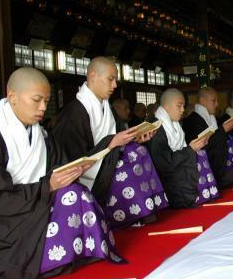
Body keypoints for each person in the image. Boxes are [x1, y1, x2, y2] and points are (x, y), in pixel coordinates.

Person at [0, 68, 121, 279]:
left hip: (36, 208)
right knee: (70, 196)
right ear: (12, 96)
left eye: (46, 100)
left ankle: (65, 254)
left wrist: (75, 169)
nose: (43, 107)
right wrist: (48, 186)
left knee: (75, 193)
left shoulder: (41, 135)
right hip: (2, 226)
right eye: (36, 100)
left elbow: (59, 167)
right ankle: (49, 259)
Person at [53, 57, 167, 228]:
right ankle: (132, 215)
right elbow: (71, 159)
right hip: (88, 175)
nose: (114, 85)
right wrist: (111, 143)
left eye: (115, 80)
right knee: (131, 159)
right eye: (110, 79)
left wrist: (136, 138)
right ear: (92, 77)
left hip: (108, 161)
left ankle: (143, 212)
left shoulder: (107, 108)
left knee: (138, 151)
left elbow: (119, 138)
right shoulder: (73, 113)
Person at [148, 89, 218, 207]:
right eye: (179, 106)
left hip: (179, 170)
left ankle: (204, 192)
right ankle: (198, 194)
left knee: (201, 155)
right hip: (167, 179)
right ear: (166, 107)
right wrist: (190, 150)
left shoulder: (174, 124)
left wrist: (195, 147)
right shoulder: (155, 128)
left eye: (183, 106)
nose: (183, 110)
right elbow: (163, 163)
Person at [182, 87, 233, 190]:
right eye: (213, 100)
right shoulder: (192, 120)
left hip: (218, 165)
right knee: (232, 175)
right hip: (205, 169)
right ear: (202, 100)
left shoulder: (211, 118)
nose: (217, 104)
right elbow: (203, 146)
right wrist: (223, 129)